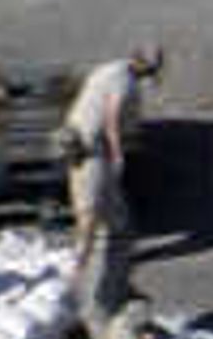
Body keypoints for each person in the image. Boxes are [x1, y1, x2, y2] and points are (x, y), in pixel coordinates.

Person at [61, 42, 161, 322]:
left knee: (119, 220)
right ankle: (78, 272)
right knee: (90, 216)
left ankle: (114, 261)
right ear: (144, 65)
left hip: (82, 138)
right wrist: (119, 154)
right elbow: (112, 117)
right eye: (151, 70)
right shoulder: (125, 83)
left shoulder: (110, 67)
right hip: (88, 151)